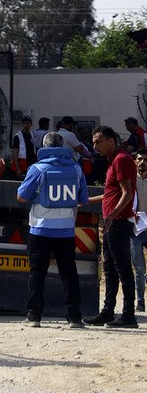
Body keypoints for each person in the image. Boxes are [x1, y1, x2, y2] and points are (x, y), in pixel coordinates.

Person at [16, 132, 90, 328]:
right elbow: (83, 199)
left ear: (45, 147)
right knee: (69, 274)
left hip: (40, 230)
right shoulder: (76, 169)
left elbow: (22, 196)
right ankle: (74, 317)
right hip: (66, 231)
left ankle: (34, 316)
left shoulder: (37, 169)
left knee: (37, 273)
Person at [84, 125, 138, 327]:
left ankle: (128, 315)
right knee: (109, 268)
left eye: (98, 141)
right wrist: (87, 201)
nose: (95, 146)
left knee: (122, 268)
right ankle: (108, 311)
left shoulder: (122, 160)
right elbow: (111, 193)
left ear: (111, 141)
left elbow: (127, 193)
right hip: (111, 222)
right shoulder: (113, 160)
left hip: (118, 222)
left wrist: (113, 215)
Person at [130, 148, 147, 313]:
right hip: (136, 230)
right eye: (140, 159)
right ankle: (140, 302)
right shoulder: (129, 181)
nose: (142, 163)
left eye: (146, 160)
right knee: (139, 268)